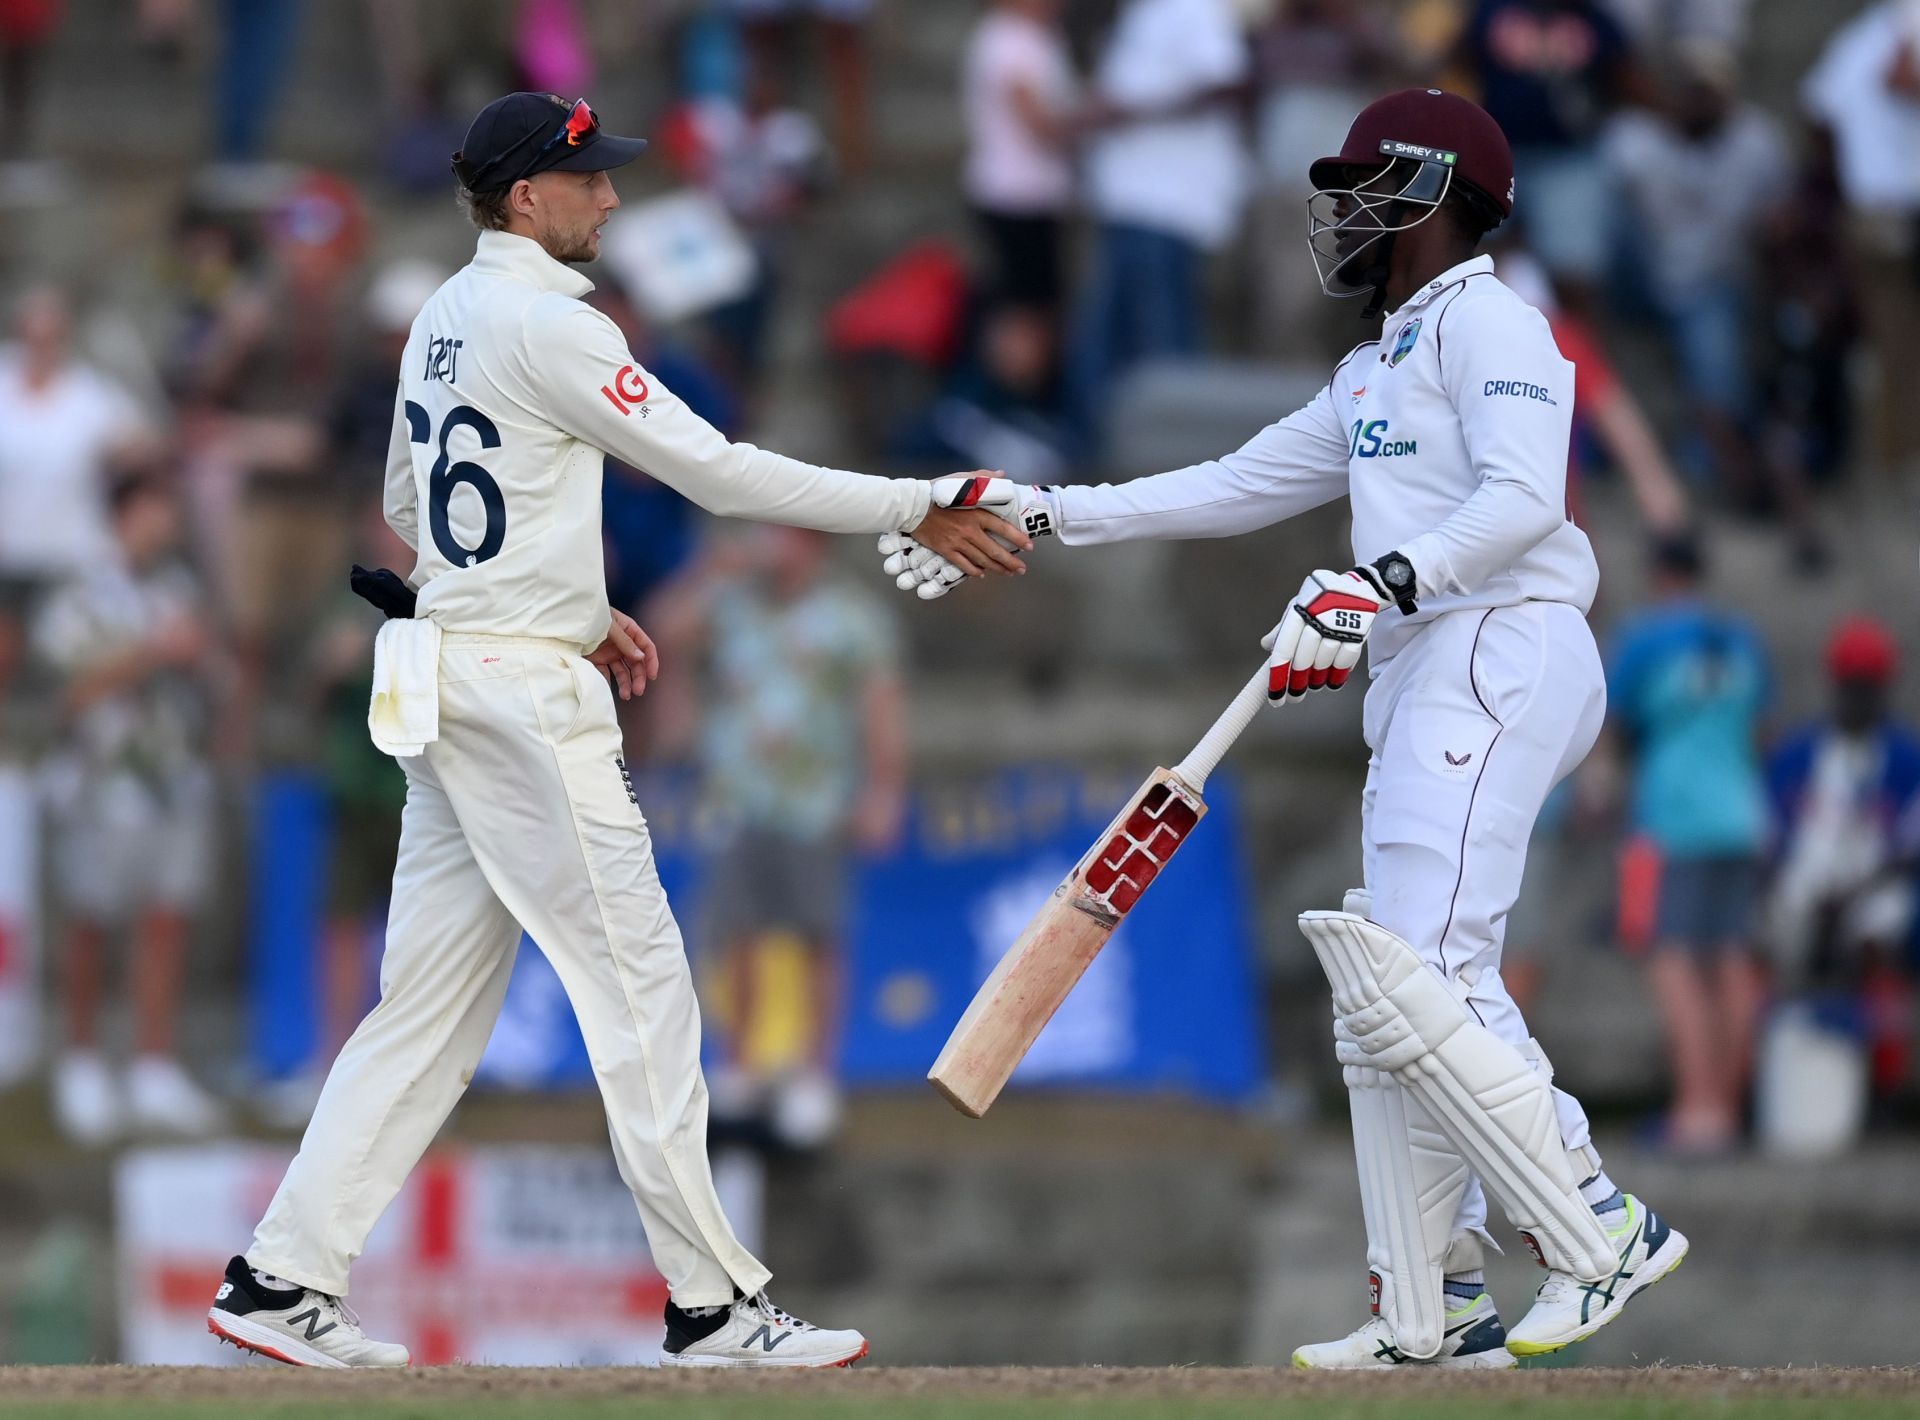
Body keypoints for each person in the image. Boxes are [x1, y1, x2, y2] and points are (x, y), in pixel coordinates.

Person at [201, 90, 1026, 1370]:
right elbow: (719, 470)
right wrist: (913, 500)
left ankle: (280, 1275)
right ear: (528, 197)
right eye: (590, 179)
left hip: (451, 667)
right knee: (640, 986)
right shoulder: (557, 325)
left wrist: (576, 608)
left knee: (425, 1009)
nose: (614, 198)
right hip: (521, 698)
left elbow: (412, 507)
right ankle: (715, 1306)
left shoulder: (440, 315)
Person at [882, 88, 1687, 1368]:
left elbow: (1528, 499)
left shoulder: (1496, 322)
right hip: (1421, 661)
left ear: (1436, 197)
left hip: (1501, 639)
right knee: (1382, 989)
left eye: (1366, 184)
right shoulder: (1373, 365)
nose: (1342, 210)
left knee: (1428, 970)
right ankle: (1431, 1305)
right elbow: (1229, 484)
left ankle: (1600, 1220)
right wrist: (1045, 512)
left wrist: (1383, 583)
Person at [653, 525, 907, 1152]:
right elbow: (663, 632)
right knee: (737, 932)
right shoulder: (732, 601)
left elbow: (881, 705)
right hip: (737, 797)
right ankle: (740, 1068)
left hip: (816, 804)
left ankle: (814, 1076)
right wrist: (710, 569)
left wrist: (883, 790)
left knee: (819, 933)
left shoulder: (852, 616)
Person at [36, 476, 227, 1145]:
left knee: (165, 921)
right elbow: (66, 693)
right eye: (154, 509)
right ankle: (82, 1062)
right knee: (92, 924)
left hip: (176, 779)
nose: (165, 524)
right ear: (123, 514)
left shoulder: (180, 589)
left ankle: (154, 1066)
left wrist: (201, 660)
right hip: (101, 782)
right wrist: (153, 652)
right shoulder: (80, 596)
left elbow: (210, 675)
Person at [1606, 533, 1770, 1155]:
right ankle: (1727, 1111)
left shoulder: (1644, 637)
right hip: (1742, 816)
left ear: (1657, 576)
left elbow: (1608, 724)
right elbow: (1760, 728)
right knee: (1730, 960)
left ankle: (1695, 1111)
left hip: (1673, 821)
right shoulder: (1741, 637)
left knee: (1673, 961)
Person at [1069, 0, 1249, 435]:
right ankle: (1106, 448)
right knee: (1113, 343)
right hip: (1129, 202)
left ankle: (1181, 456)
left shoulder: (1192, 9)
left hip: (1167, 205)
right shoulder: (1137, 14)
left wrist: (1133, 111)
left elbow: (1226, 83)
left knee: (1163, 343)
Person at [1765, 617, 1920, 1098]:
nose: (1859, 697)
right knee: (1768, 935)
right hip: (1803, 886)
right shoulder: (1797, 752)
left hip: (1874, 889)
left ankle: (1884, 1085)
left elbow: (1907, 852)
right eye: (1851, 685)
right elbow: (1768, 838)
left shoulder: (1905, 757)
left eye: (1868, 686)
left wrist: (1849, 899)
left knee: (1880, 935)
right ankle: (1768, 1081)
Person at [961, 0, 1078, 314]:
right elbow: (1039, 123)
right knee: (1025, 312)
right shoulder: (1009, 38)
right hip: (1015, 194)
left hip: (1032, 194)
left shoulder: (1034, 36)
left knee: (1032, 303)